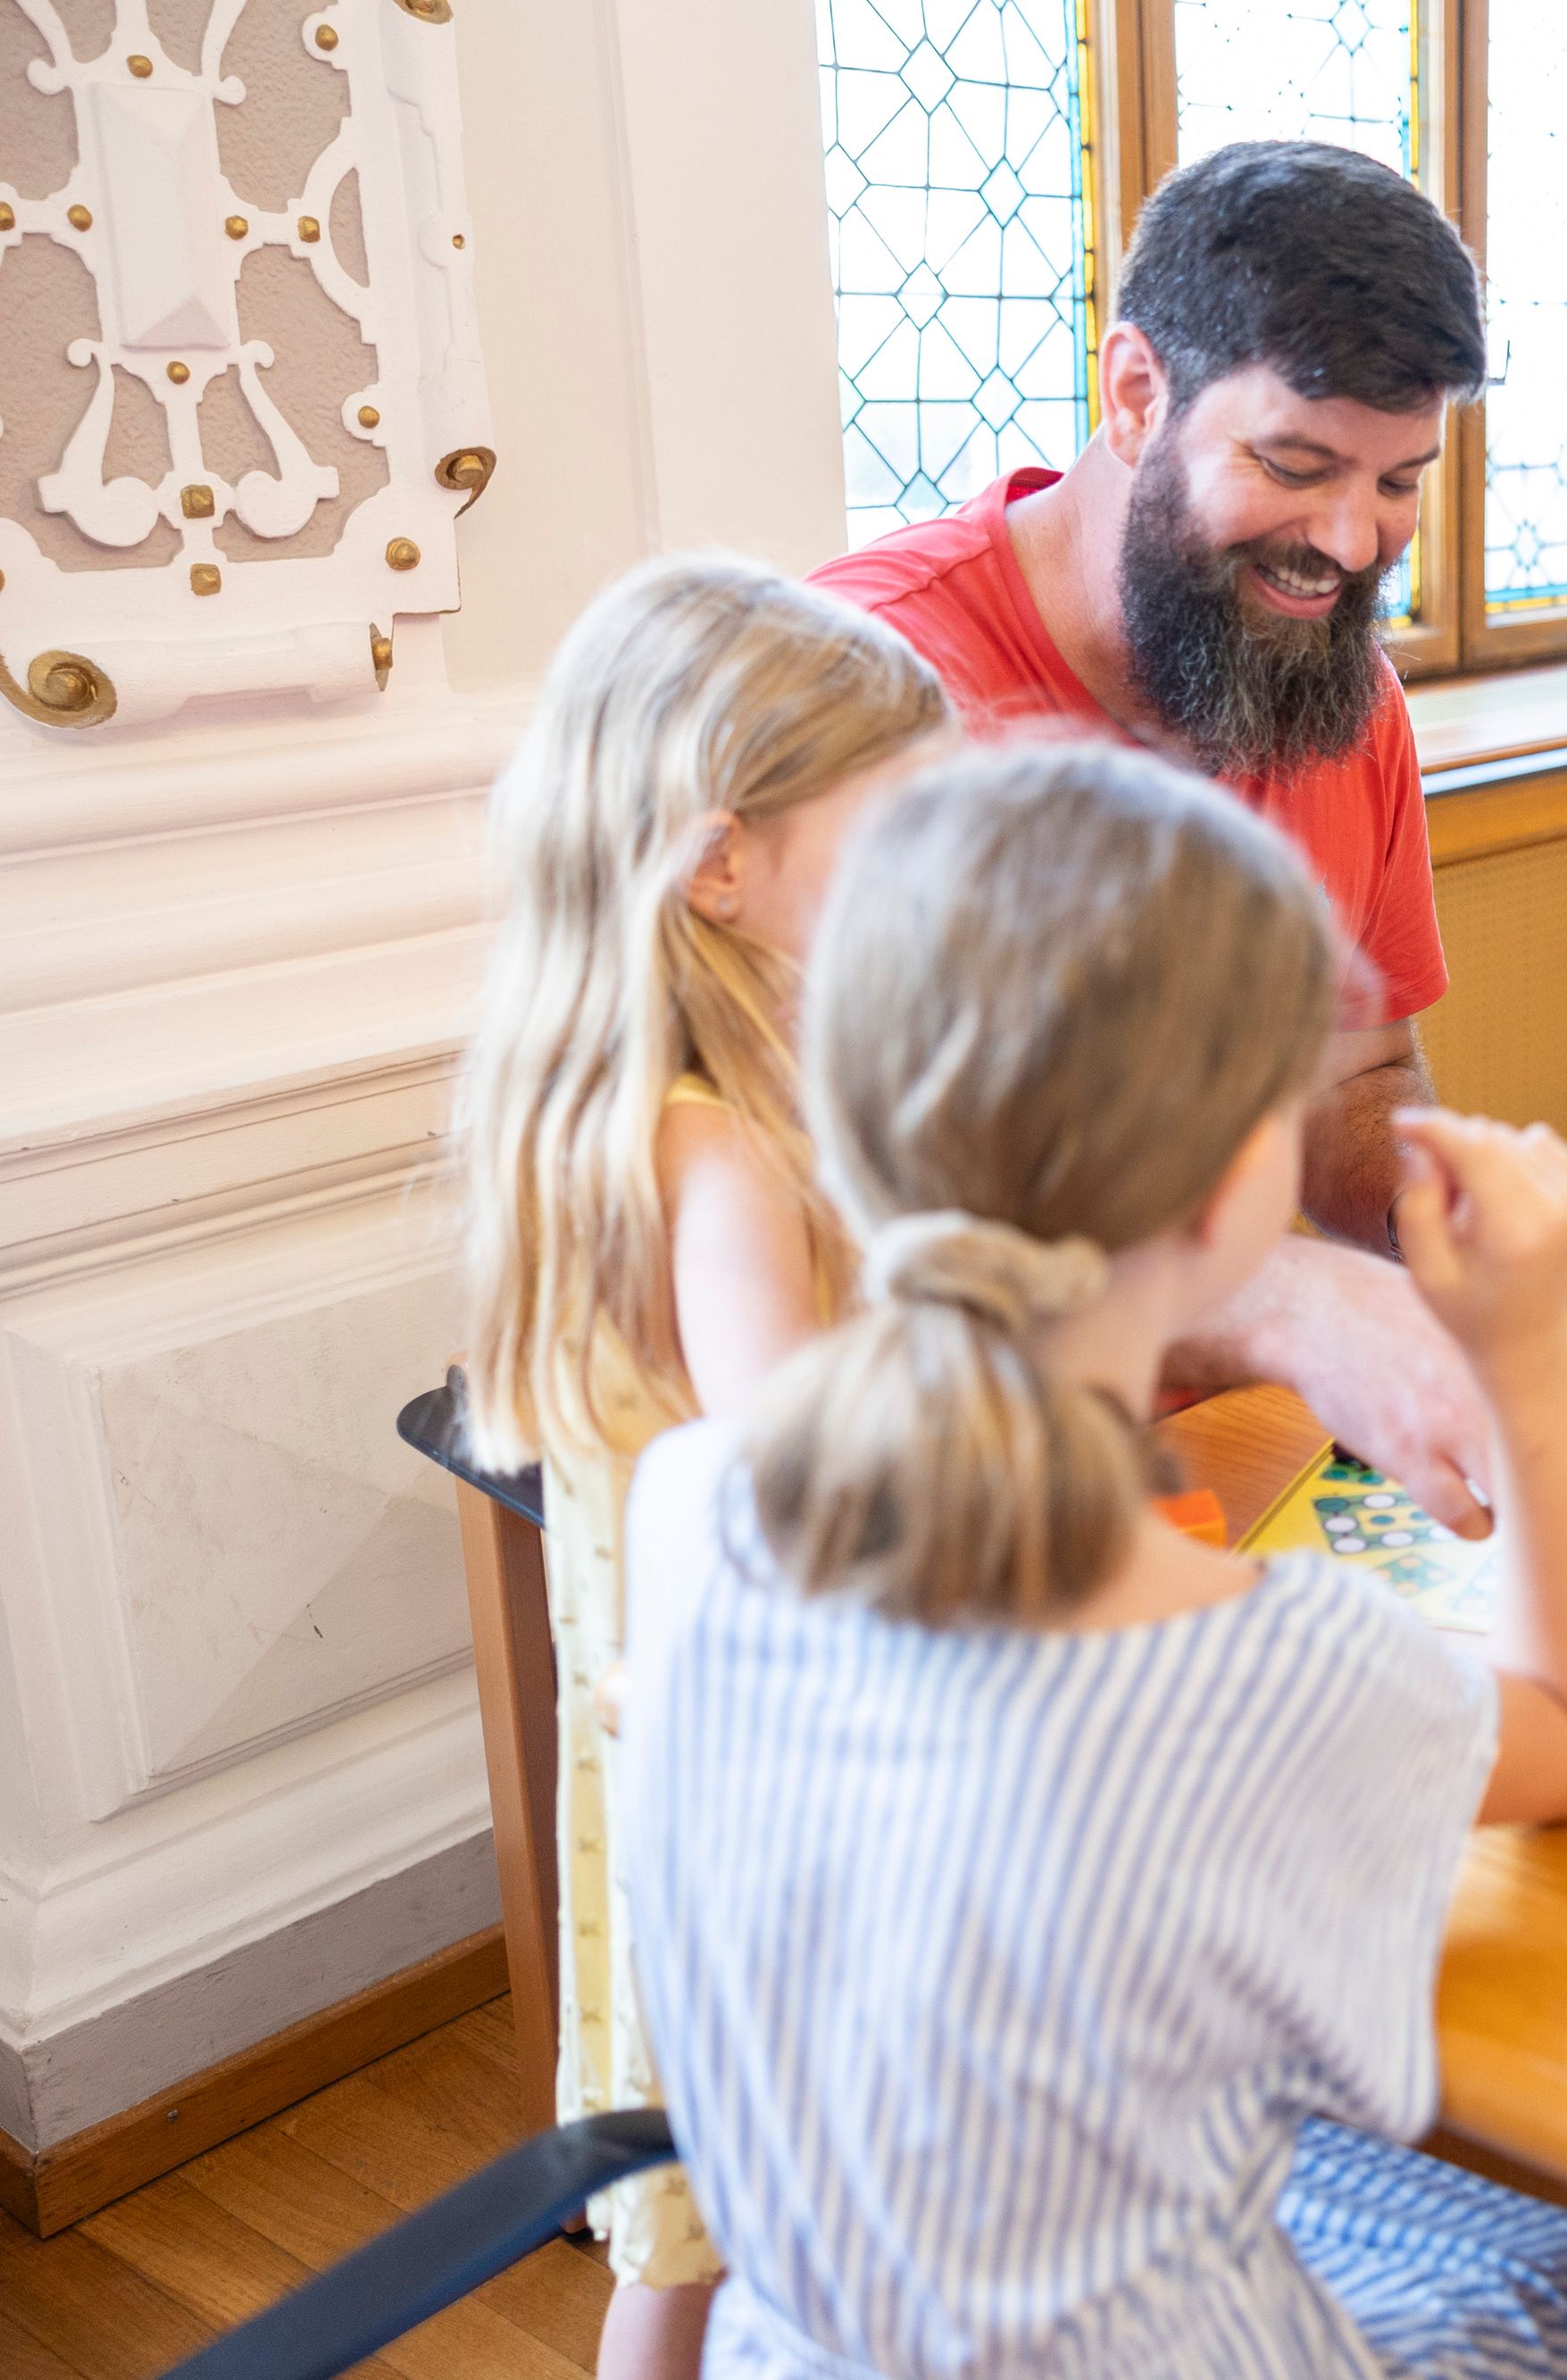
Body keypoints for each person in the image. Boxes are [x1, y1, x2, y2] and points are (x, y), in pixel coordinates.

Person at [617, 745, 1567, 2379]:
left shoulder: (690, 1501)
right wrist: (1523, 1370)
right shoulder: (1271, 1663)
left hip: (804, 2349)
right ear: (1227, 1194)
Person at [813, 137, 1538, 1538]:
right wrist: (1285, 1302)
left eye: (1401, 483)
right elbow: (820, 1228)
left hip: (1225, 1456)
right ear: (1137, 392)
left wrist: (1439, 1227)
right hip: (936, 1504)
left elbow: (1353, 1074)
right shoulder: (858, 696)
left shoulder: (1342, 690)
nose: (1352, 542)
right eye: (1295, 464)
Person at [452, 556, 953, 2378]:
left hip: (661, 1755)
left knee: (683, 2225)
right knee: (768, 2200)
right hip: (775, 1782)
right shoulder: (723, 1157)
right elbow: (813, 1495)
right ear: (723, 864)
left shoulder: (604, 1113)